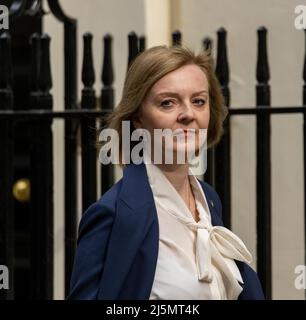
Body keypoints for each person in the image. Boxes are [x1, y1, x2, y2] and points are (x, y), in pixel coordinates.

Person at [68, 45, 265, 300]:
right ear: (138, 118)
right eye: (168, 103)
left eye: (198, 101)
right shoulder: (113, 214)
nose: (187, 114)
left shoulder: (208, 199)